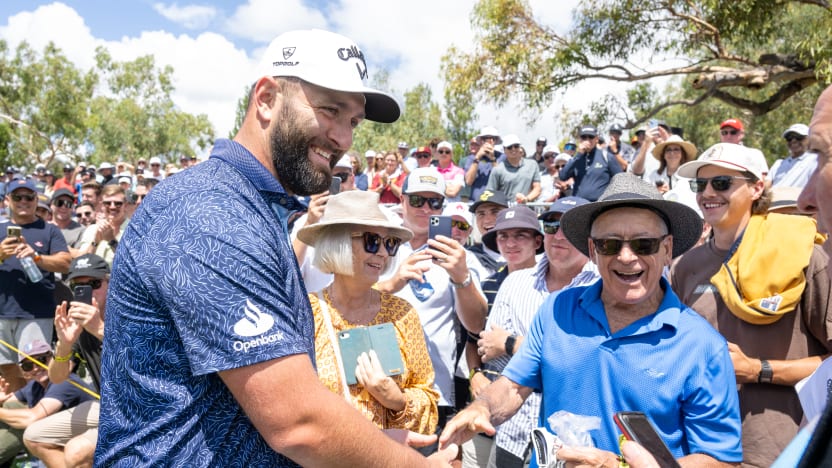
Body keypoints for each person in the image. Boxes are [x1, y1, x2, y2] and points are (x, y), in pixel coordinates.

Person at [95, 29, 455, 466]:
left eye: (354, 121)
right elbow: (298, 424)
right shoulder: (210, 212)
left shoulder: (251, 205)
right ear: (266, 99)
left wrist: (375, 443)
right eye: (329, 110)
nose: (344, 138)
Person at [440, 173, 742, 467]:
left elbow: (720, 460)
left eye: (643, 244)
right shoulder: (558, 310)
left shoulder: (702, 346)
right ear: (592, 252)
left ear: (667, 250)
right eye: (609, 244)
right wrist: (482, 407)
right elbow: (513, 387)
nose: (626, 256)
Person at [672, 142, 831, 467]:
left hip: (789, 453)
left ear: (757, 187)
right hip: (703, 453)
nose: (708, 193)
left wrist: (759, 370)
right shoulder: (684, 267)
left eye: (722, 183)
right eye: (700, 184)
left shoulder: (803, 256)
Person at [297, 191, 438, 433]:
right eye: (372, 241)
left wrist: (396, 399)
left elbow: (429, 404)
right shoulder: (306, 313)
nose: (383, 253)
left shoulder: (402, 314)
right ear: (337, 243)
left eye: (390, 243)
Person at [474, 196, 599, 468]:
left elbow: (587, 363)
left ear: (589, 237)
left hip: (572, 443)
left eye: (570, 225)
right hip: (511, 433)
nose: (559, 234)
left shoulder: (603, 286)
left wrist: (510, 343)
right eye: (552, 225)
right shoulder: (516, 282)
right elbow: (489, 352)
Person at [378, 167, 486, 440]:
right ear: (402, 200)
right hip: (375, 386)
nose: (425, 208)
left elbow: (477, 324)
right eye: (417, 200)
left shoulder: (457, 256)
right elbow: (347, 300)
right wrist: (392, 284)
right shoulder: (377, 243)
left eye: (434, 201)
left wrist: (461, 278)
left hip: (432, 393)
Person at [461, 205, 545, 468]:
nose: (511, 243)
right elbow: (473, 339)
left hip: (530, 409)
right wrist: (475, 375)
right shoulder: (487, 284)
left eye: (520, 235)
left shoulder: (557, 286)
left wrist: (506, 344)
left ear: (537, 241)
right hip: (485, 405)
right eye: (503, 236)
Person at [24, 254, 108, 467]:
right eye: (77, 286)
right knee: (34, 436)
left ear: (110, 283)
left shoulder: (131, 314)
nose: (86, 291)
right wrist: (64, 343)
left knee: (76, 452)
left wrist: (99, 329)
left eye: (94, 283)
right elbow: (57, 377)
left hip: (139, 407)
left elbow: (143, 357)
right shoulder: (79, 326)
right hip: (106, 405)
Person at [0, 178, 71, 391]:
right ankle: (20, 415)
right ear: (7, 200)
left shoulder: (49, 230)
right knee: (7, 368)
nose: (24, 201)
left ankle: (39, 414)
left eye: (29, 197)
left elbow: (65, 263)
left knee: (36, 369)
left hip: (37, 313)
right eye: (17, 197)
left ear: (35, 199)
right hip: (2, 313)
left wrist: (38, 257)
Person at [0, 340, 95, 466]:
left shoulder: (64, 381)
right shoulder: (35, 385)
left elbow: (32, 418)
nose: (36, 368)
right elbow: (10, 403)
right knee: (10, 407)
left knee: (24, 423)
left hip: (87, 439)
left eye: (41, 360)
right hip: (52, 439)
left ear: (53, 358)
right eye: (28, 366)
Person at [558, 125, 623, 201]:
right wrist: (578, 155)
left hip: (600, 205)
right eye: (584, 137)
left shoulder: (606, 157)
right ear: (580, 139)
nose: (587, 140)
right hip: (579, 205)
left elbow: (620, 179)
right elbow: (563, 176)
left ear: (596, 139)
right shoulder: (576, 158)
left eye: (591, 137)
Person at [630, 134, 696, 195]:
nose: (672, 153)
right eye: (668, 150)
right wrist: (656, 193)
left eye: (676, 149)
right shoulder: (653, 176)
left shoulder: (689, 177)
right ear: (663, 155)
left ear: (682, 154)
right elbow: (645, 196)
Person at [485, 134, 541, 205]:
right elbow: (490, 193)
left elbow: (537, 188)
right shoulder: (497, 170)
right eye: (509, 147)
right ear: (504, 150)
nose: (513, 149)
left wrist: (526, 199)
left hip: (527, 210)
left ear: (520, 148)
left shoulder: (532, 165)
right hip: (506, 211)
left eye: (516, 146)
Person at [466, 191, 510, 275]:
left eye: (495, 212)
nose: (487, 220)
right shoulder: (469, 257)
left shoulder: (528, 254)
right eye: (481, 214)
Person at [768, 123, 816, 188]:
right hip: (775, 196)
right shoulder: (778, 164)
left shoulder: (814, 161)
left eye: (799, 137)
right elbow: (766, 185)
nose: (793, 141)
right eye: (789, 138)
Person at [464, 127, 505, 202]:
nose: (489, 141)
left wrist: (493, 159)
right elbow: (468, 181)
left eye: (492, 138)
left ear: (495, 141)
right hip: (476, 202)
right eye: (485, 139)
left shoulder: (502, 157)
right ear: (480, 141)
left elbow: (501, 181)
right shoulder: (471, 158)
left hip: (496, 202)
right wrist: (477, 158)